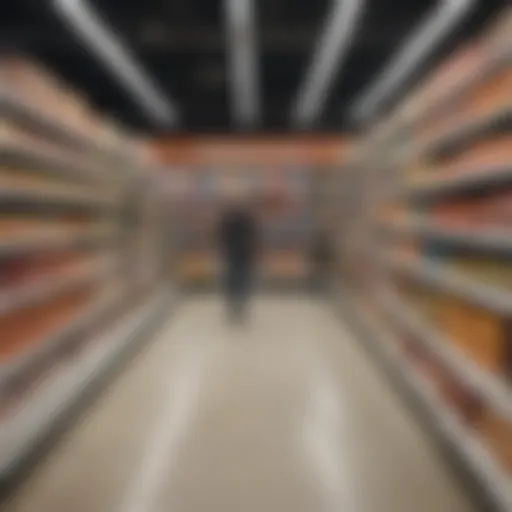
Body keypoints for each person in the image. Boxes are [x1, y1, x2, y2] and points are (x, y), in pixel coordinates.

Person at [218, 201, 258, 322]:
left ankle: (235, 306)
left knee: (234, 280)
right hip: (242, 255)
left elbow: (221, 237)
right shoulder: (246, 221)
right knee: (241, 280)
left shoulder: (228, 221)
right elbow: (253, 238)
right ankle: (239, 306)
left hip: (234, 255)